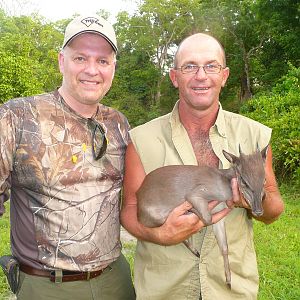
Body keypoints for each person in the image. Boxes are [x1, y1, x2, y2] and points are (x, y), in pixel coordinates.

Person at [121, 33, 284, 300]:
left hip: (231, 292)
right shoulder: (142, 139)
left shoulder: (254, 137)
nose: (201, 76)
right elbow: (128, 210)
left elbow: (274, 208)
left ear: (225, 75)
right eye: (189, 66)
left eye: (211, 66)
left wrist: (253, 200)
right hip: (164, 291)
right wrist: (160, 235)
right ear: (175, 77)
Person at [0, 14, 135, 300]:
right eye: (80, 58)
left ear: (113, 68)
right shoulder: (17, 116)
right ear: (62, 61)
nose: (92, 70)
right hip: (47, 287)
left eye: (102, 61)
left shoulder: (119, 123)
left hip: (115, 281)